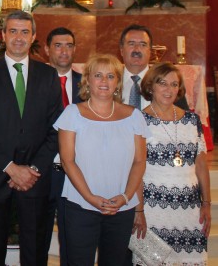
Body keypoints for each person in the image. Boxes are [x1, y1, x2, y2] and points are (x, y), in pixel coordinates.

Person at [0, 10, 63, 265]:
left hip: (35, 178)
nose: (18, 38)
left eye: (24, 32)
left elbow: (57, 129)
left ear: (33, 36)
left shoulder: (48, 75)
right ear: (3, 35)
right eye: (13, 31)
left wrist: (31, 169)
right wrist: (10, 168)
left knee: (34, 251)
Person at [54, 53, 149, 265]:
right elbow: (68, 161)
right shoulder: (72, 113)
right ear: (88, 80)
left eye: (110, 76)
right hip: (81, 205)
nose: (104, 81)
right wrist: (90, 197)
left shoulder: (134, 116)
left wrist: (125, 197)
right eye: (98, 75)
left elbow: (139, 162)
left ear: (117, 82)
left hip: (121, 207)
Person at [132, 62, 211, 265]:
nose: (169, 90)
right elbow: (136, 171)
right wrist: (138, 211)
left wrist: (207, 203)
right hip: (153, 210)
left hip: (189, 211)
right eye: (163, 83)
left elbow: (201, 165)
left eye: (174, 85)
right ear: (151, 87)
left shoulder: (192, 120)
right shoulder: (139, 121)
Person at [43, 27, 83, 263]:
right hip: (46, 171)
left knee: (74, 238)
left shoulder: (86, 83)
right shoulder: (35, 82)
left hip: (77, 171)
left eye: (69, 45)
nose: (64, 50)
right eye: (58, 45)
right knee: (40, 235)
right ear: (48, 49)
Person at [119, 24, 188, 112]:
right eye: (131, 44)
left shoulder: (169, 82)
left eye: (143, 45)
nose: (136, 50)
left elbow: (183, 117)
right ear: (121, 50)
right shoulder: (109, 81)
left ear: (150, 51)